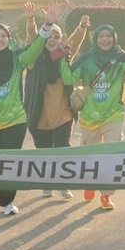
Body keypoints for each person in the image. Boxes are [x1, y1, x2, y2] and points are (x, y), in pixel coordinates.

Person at [0, 1, 60, 215]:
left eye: (3, 36)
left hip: (15, 120)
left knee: (11, 163)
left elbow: (36, 47)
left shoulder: (19, 59)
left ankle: (7, 202)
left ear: (9, 39)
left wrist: (48, 24)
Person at [61, 21, 125, 210]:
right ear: (95, 39)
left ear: (114, 38)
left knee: (112, 155)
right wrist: (64, 56)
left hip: (113, 114)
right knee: (91, 156)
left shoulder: (120, 58)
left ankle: (106, 194)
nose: (105, 39)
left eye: (109, 36)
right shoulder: (86, 59)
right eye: (101, 36)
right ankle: (90, 183)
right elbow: (68, 78)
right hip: (90, 116)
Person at [23, 11, 91, 198]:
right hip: (38, 114)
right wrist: (31, 20)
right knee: (43, 152)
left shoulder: (64, 55)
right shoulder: (33, 58)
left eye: (56, 36)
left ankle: (62, 184)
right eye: (49, 35)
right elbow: (32, 38)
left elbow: (74, 43)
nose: (52, 39)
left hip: (63, 114)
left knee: (62, 150)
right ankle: (47, 183)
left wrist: (82, 27)